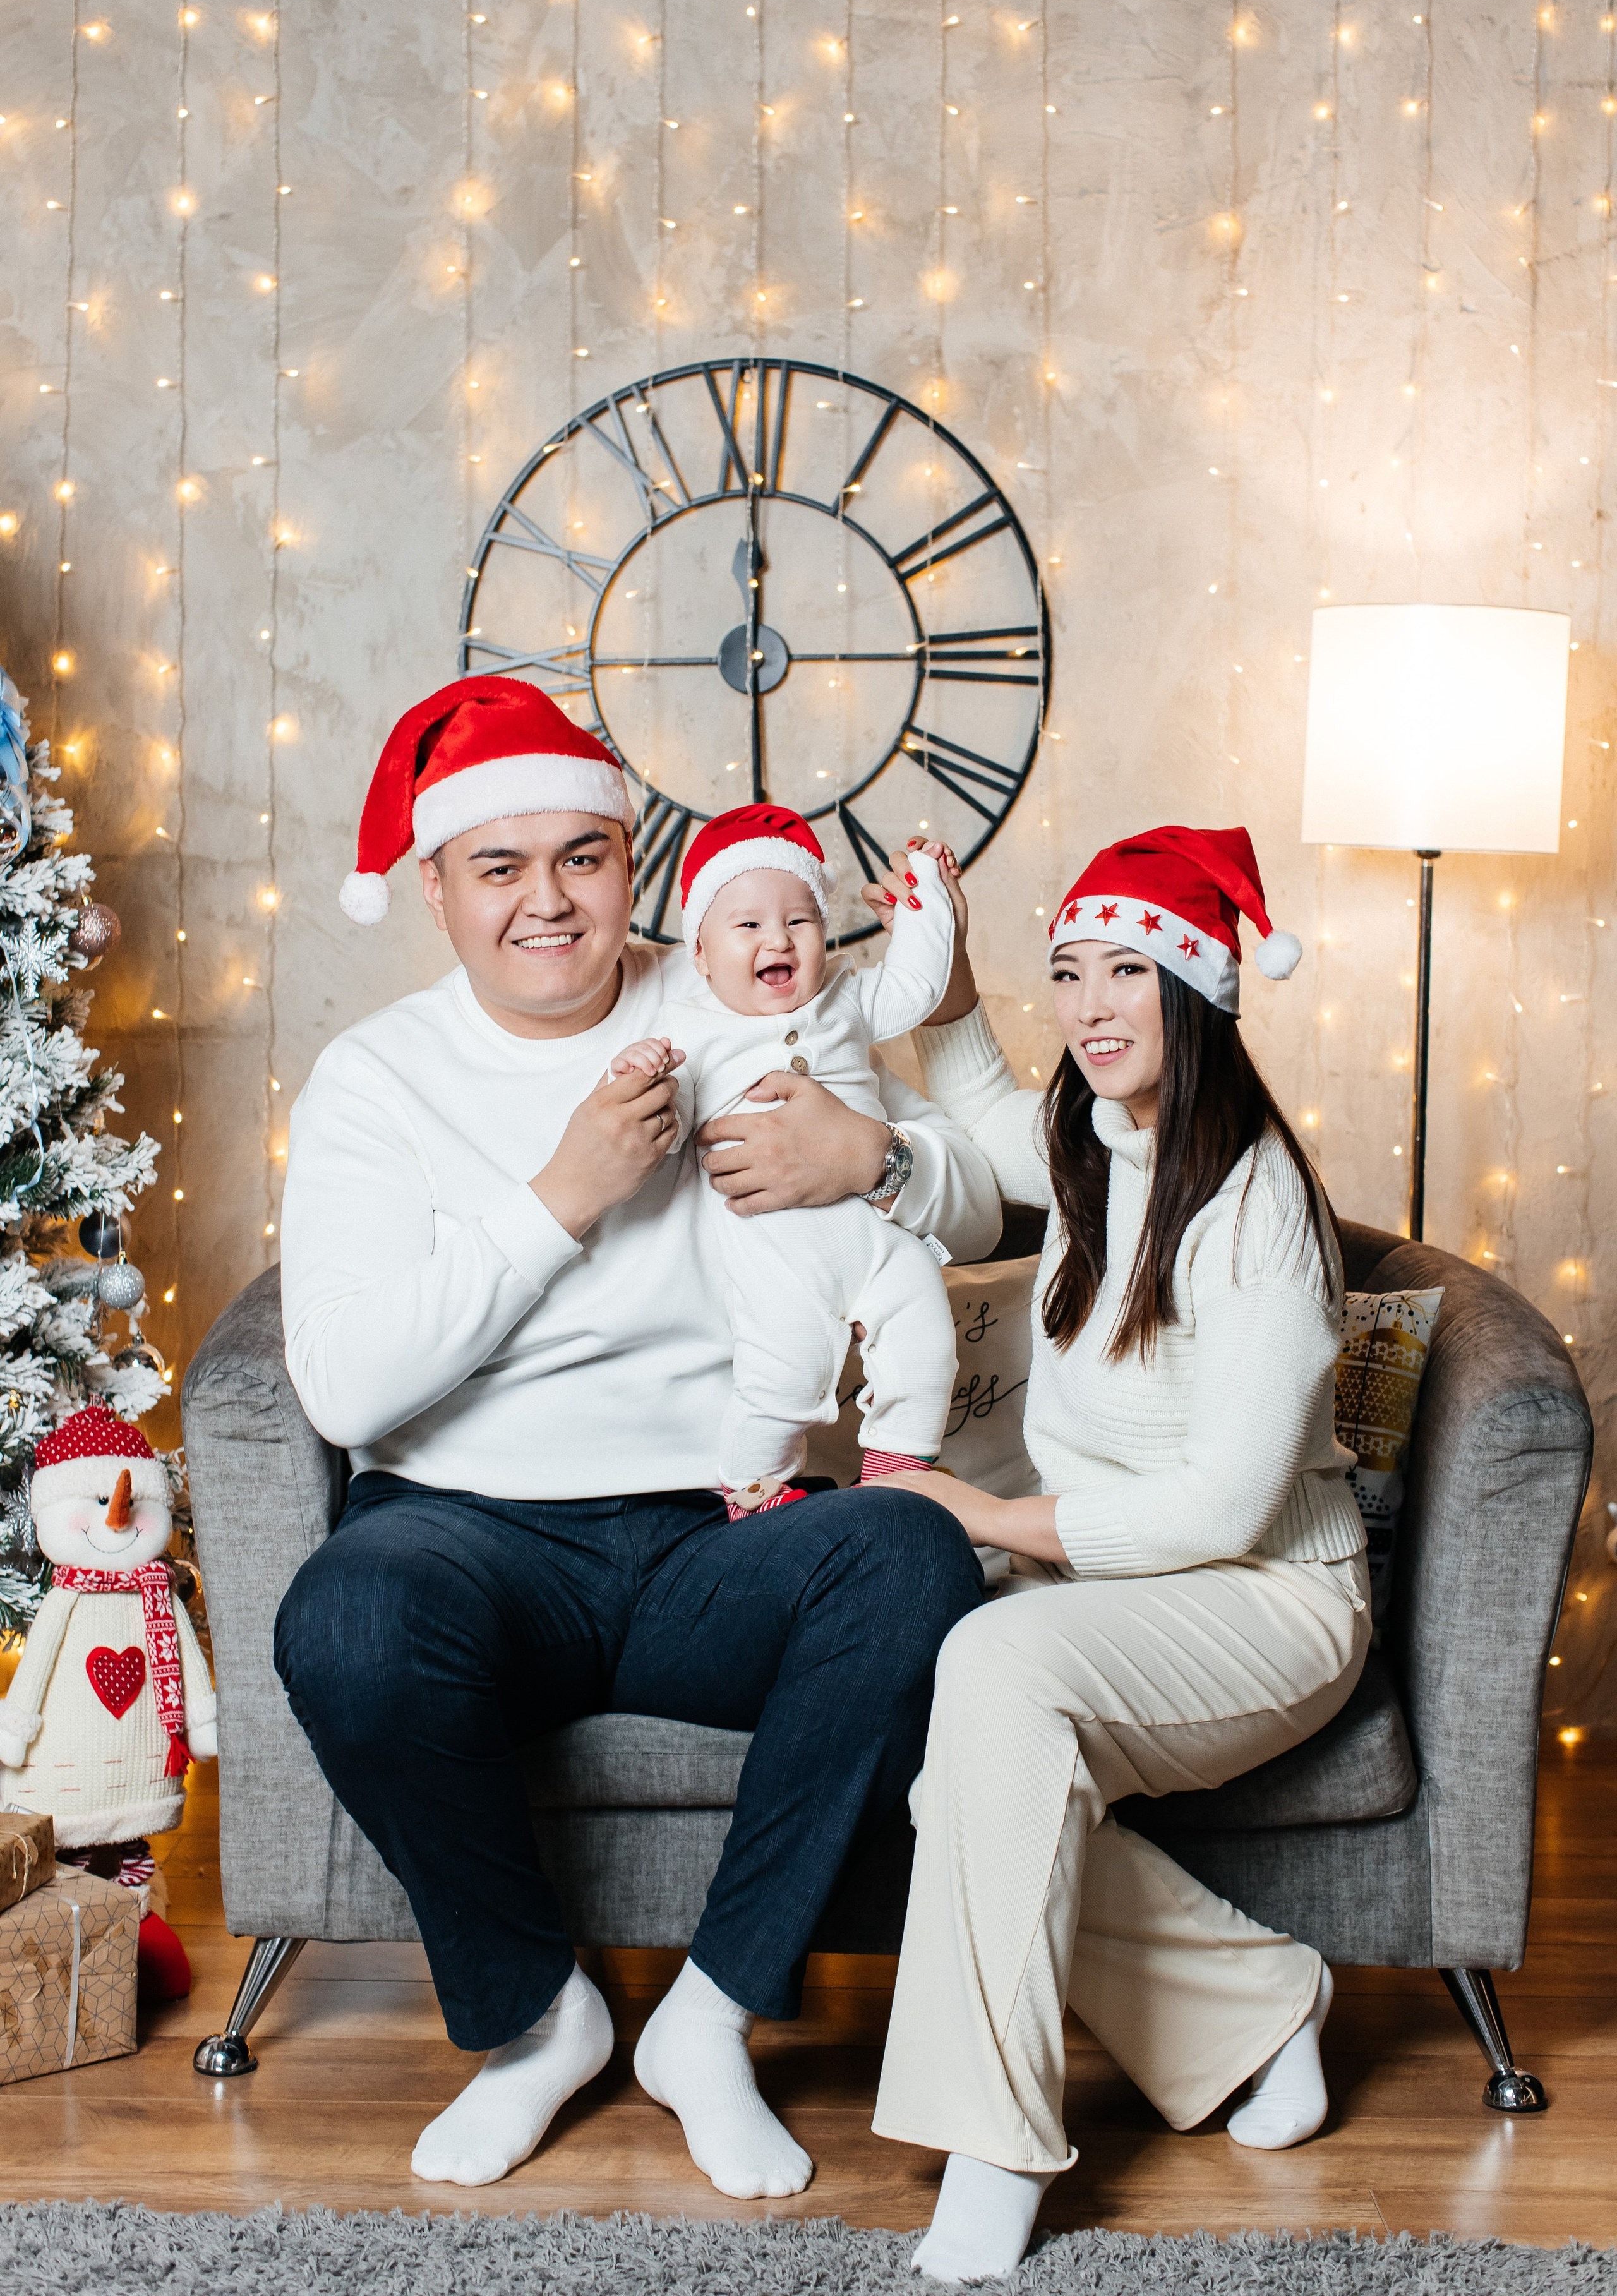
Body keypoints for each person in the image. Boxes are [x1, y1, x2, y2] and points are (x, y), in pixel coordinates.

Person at [272, 676, 997, 2197]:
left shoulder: (732, 981)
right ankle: (538, 2023)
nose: (547, 901)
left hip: (711, 1526)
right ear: (437, 889)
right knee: (343, 1613)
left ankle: (711, 2017)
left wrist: (873, 1155)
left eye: (581, 859)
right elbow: (343, 1389)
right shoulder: (376, 1078)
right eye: (498, 866)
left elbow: (992, 1206)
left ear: (629, 865)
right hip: (466, 1533)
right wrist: (561, 1197)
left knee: (910, 1543)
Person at [863, 823, 1371, 2283]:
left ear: (1196, 992)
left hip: (1268, 1601)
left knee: (995, 1667)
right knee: (955, 1767)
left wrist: (991, 1520)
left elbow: (1222, 1509)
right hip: (1120, 1594)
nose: (1088, 1006)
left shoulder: (1255, 1202)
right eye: (1067, 972)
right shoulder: (1098, 1138)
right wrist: (950, 982)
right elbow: (977, 1094)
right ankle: (1260, 2006)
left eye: (1125, 975)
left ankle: (996, 2147)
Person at [607, 800, 961, 1515]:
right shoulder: (691, 1031)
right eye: (748, 925)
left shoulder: (845, 999)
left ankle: (900, 1468)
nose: (780, 938)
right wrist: (642, 1073)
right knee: (784, 1375)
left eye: (800, 921)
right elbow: (665, 1126)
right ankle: (750, 1490)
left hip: (877, 1233)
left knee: (927, 1329)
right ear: (700, 956)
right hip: (777, 1249)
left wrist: (926, 897)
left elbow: (917, 986)